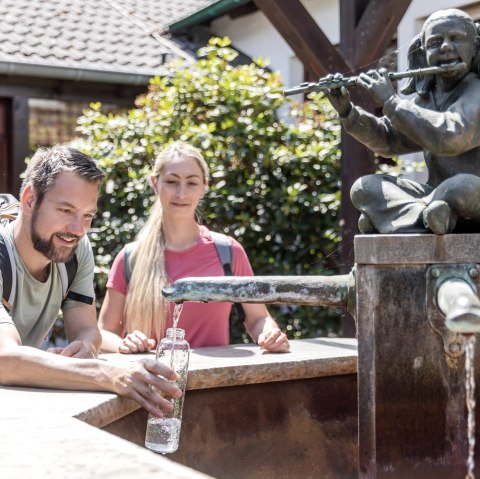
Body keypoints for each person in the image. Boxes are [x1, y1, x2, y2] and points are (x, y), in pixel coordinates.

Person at [0, 146, 181, 418]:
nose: (78, 229)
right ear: (29, 200)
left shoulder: (76, 250)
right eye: (65, 210)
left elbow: (87, 330)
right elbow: (5, 361)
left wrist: (85, 346)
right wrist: (104, 372)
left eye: (87, 215)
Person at [98, 141, 290, 354]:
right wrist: (124, 344)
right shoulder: (129, 258)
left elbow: (258, 318)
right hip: (150, 383)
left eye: (191, 183)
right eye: (171, 181)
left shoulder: (228, 251)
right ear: (155, 183)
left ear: (204, 187)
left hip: (216, 383)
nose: (181, 193)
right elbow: (104, 331)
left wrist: (270, 335)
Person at [326, 8, 480, 234]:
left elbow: (452, 137)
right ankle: (429, 217)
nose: (446, 47)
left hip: (471, 195)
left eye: (456, 38)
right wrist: (348, 112)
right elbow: (388, 140)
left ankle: (400, 218)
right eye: (436, 42)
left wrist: (391, 101)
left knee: (461, 186)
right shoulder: (427, 99)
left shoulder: (476, 92)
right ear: (424, 51)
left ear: (475, 47)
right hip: (435, 197)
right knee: (364, 188)